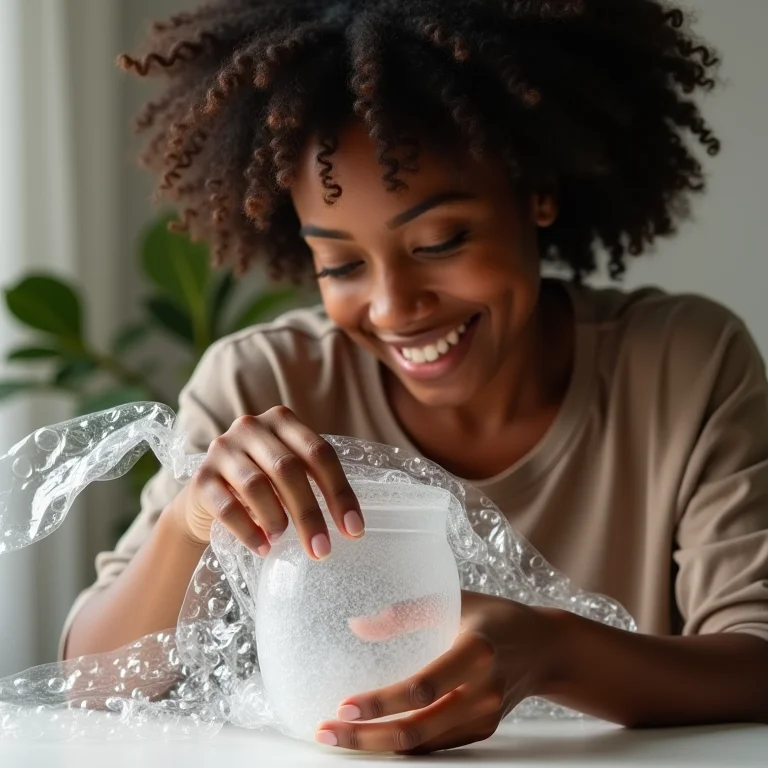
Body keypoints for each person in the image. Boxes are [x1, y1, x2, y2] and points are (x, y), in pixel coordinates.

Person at [63, 0, 768, 754]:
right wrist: (187, 525)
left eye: (442, 240)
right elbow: (88, 683)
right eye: (340, 264)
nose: (396, 307)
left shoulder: (683, 366)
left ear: (537, 193)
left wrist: (555, 653)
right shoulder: (258, 383)